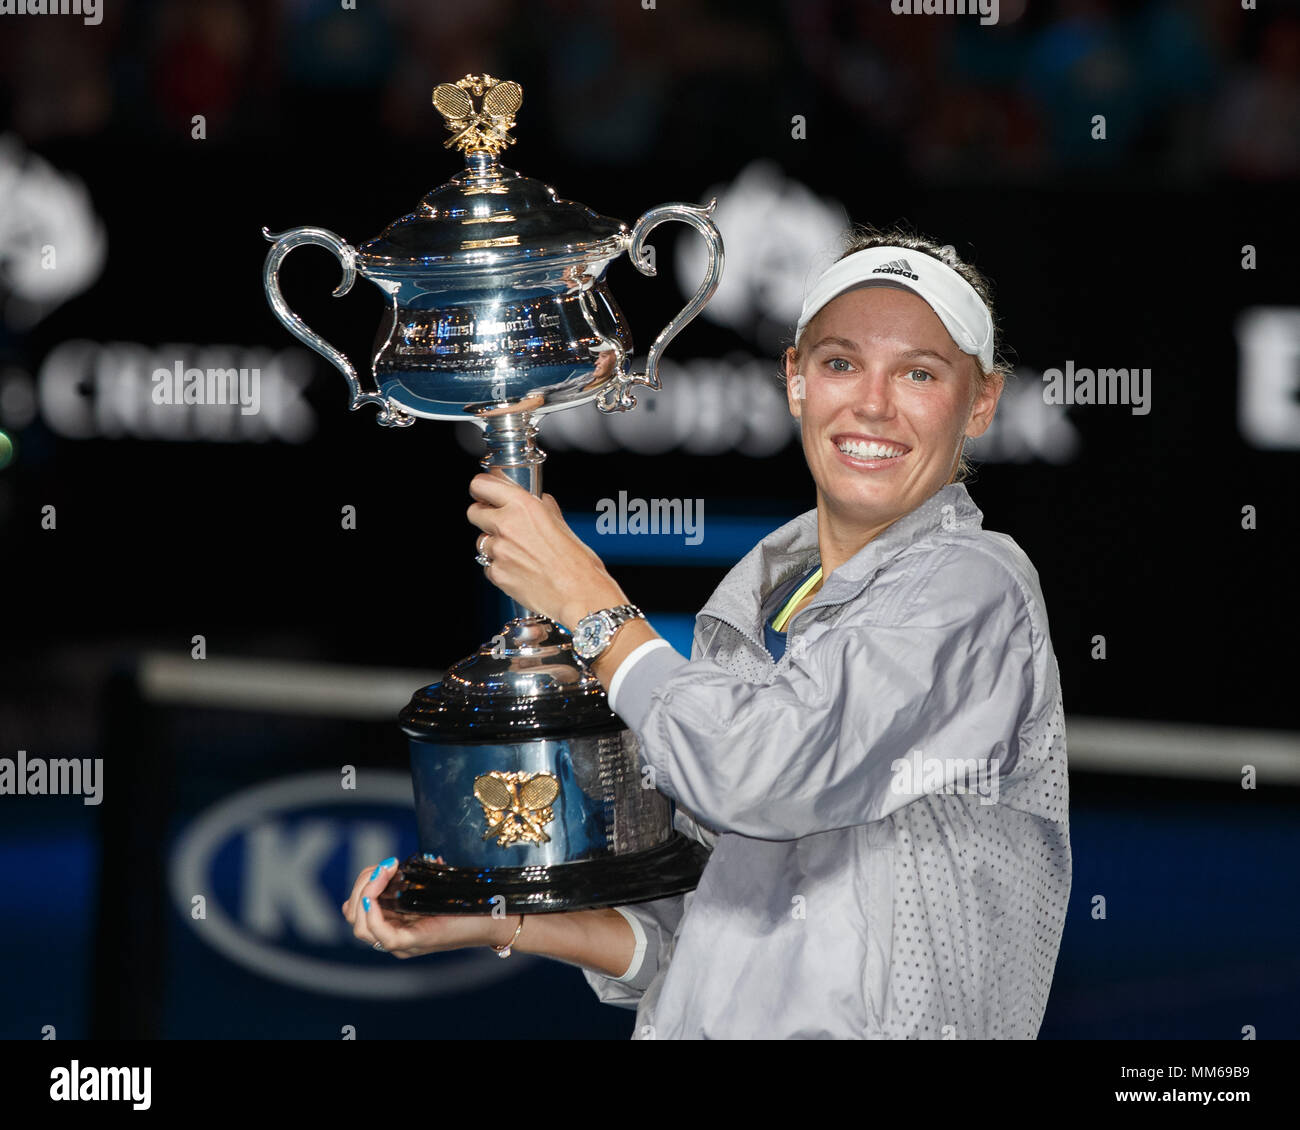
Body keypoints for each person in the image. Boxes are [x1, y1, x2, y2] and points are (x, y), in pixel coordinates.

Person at [341, 224, 1072, 1039]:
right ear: (794, 380)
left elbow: (761, 774)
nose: (872, 402)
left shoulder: (977, 588)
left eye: (919, 373)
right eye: (840, 363)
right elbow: (684, 939)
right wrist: (492, 916)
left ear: (982, 403)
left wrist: (590, 604)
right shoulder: (754, 604)